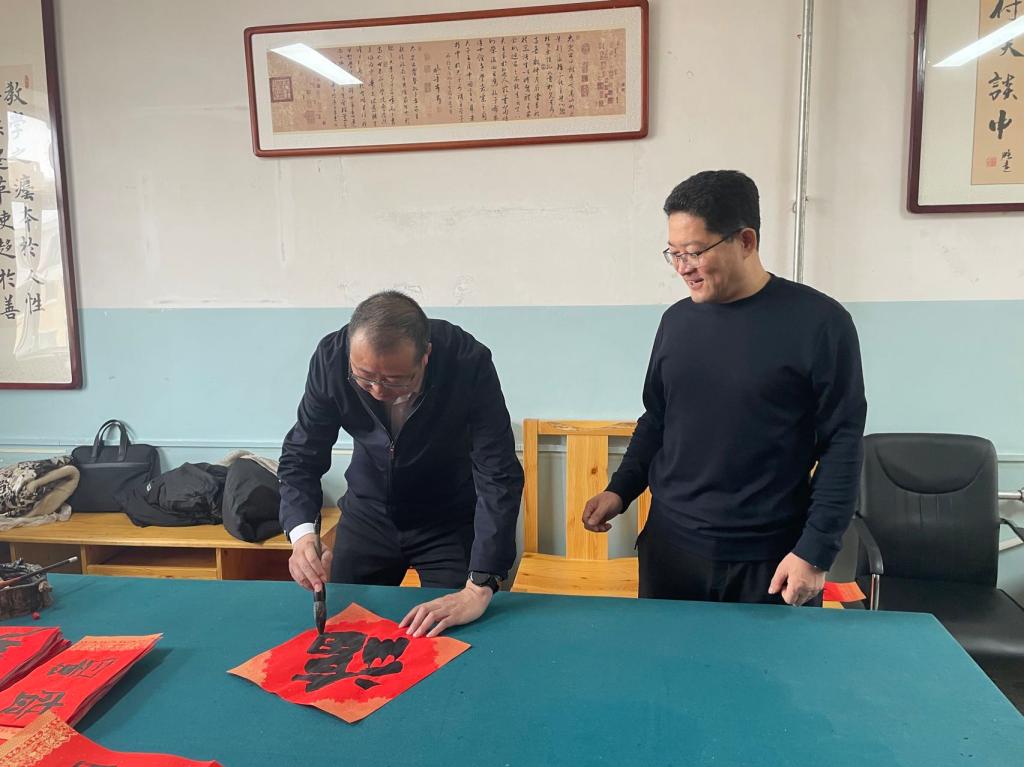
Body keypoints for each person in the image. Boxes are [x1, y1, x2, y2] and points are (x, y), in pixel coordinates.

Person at [582, 170, 867, 607]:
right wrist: (620, 490)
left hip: (772, 560)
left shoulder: (820, 323)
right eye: (674, 253)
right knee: (665, 655)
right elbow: (657, 420)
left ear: (746, 241)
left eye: (695, 252)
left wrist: (815, 551)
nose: (683, 267)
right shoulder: (676, 323)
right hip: (671, 550)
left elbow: (842, 443)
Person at [279, 291, 523, 636]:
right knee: (345, 628)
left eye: (395, 380)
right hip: (368, 513)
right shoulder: (331, 359)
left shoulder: (466, 362)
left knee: (454, 635)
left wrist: (480, 584)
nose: (378, 391)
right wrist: (303, 536)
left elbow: (498, 472)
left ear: (426, 356)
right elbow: (302, 455)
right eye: (364, 377)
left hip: (447, 518)